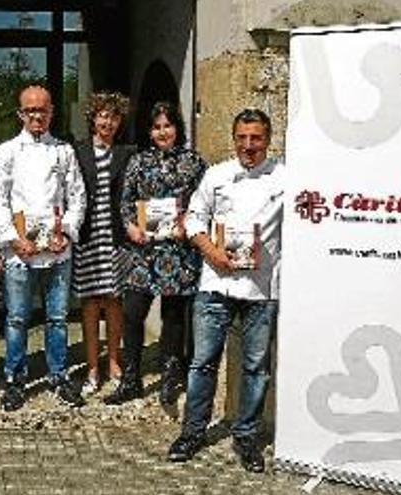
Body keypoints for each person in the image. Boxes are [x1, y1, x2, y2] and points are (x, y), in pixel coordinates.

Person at [167, 108, 283, 473]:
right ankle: (193, 432)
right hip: (215, 285)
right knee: (202, 364)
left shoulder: (286, 178)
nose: (248, 146)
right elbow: (194, 218)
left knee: (255, 368)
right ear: (234, 139)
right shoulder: (216, 175)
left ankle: (246, 436)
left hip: (261, 289)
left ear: (268, 139)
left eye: (256, 138)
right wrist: (212, 251)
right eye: (242, 138)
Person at [0, 85, 87, 412]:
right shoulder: (7, 151)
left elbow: (78, 197)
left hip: (57, 251)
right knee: (17, 318)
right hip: (20, 251)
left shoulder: (64, 151)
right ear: (20, 114)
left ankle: (58, 375)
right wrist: (13, 240)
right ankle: (15, 379)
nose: (36, 116)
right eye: (30, 110)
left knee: (57, 317)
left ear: (51, 112)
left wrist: (68, 234)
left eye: (42, 110)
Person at [104, 101, 206, 412]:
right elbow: (124, 202)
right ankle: (131, 379)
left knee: (173, 318)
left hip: (178, 251)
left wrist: (188, 224)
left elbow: (205, 202)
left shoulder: (194, 162)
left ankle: (169, 378)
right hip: (144, 252)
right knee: (133, 312)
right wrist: (131, 227)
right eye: (156, 126)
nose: (162, 132)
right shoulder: (138, 161)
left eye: (168, 125)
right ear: (150, 131)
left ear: (177, 128)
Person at [71, 92, 135, 396]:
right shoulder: (77, 152)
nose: (107, 122)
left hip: (115, 237)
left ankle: (113, 362)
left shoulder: (127, 153)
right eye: (102, 116)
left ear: (119, 121)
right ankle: (92, 367)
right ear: (93, 119)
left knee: (113, 301)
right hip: (87, 236)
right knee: (90, 302)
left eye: (113, 116)